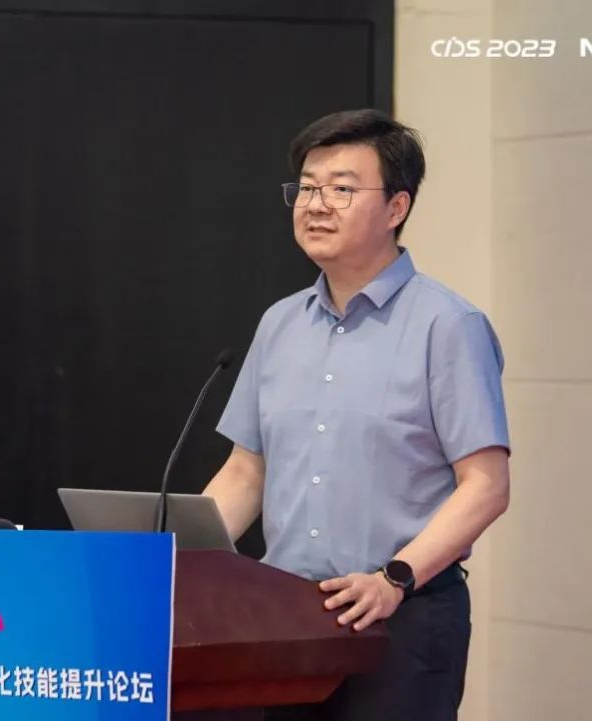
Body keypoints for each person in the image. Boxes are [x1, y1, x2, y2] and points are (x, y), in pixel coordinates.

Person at [202, 109, 511, 721]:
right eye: (307, 188)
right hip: (287, 618)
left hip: (401, 615)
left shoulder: (448, 326)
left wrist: (394, 578)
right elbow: (245, 473)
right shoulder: (280, 323)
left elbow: (486, 486)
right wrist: (170, 561)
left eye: (341, 189)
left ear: (396, 207)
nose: (316, 205)